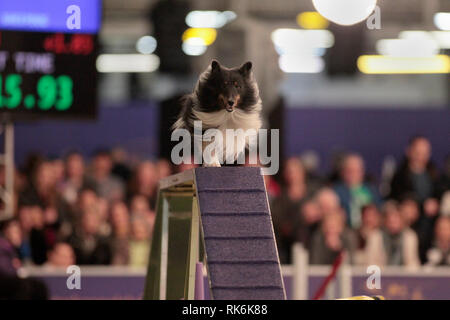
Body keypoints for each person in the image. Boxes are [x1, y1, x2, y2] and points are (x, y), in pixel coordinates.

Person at [271, 157, 310, 263]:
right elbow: (283, 228)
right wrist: (303, 215)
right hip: (287, 253)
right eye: (289, 172)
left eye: (295, 171)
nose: (292, 175)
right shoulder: (280, 200)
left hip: (312, 251)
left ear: (303, 172)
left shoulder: (314, 194)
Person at [365, 201, 420, 268]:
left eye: (396, 221)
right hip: (381, 275)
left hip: (404, 276)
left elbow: (413, 262)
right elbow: (371, 263)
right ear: (385, 221)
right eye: (390, 221)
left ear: (402, 220)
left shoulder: (410, 236)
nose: (393, 224)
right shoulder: (375, 236)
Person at [333, 153, 381, 229]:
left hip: (372, 230)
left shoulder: (371, 190)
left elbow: (380, 209)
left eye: (358, 170)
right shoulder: (336, 192)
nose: (354, 174)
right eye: (350, 171)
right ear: (343, 172)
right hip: (349, 230)